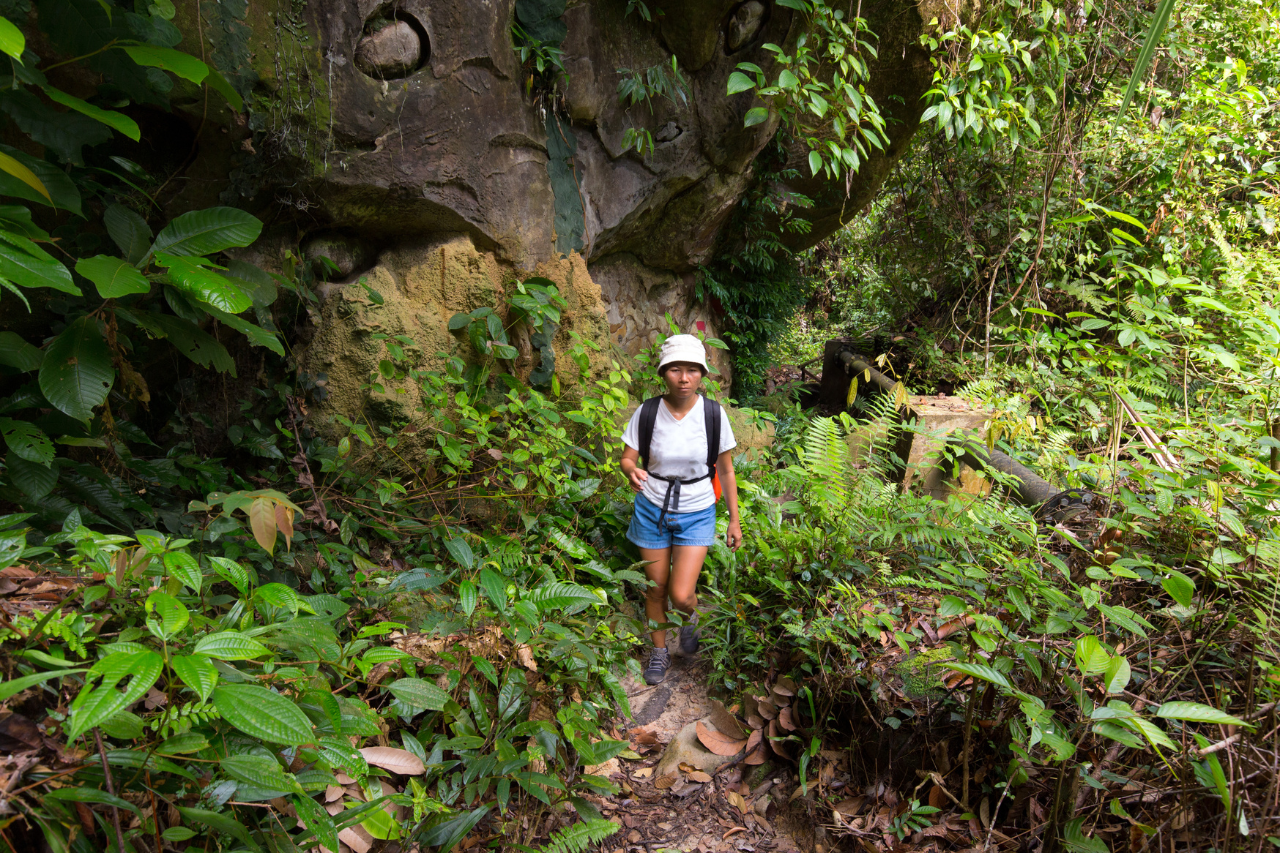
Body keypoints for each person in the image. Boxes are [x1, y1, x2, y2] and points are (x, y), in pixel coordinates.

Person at [620, 334, 743, 685]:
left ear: (702, 374)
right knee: (656, 588)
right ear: (663, 373)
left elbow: (726, 470)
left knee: (680, 594)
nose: (684, 378)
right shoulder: (646, 412)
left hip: (697, 508)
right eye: (676, 369)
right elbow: (627, 458)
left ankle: (690, 617)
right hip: (651, 508)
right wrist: (631, 470)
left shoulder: (712, 415)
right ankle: (659, 652)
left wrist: (734, 520)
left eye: (692, 370)